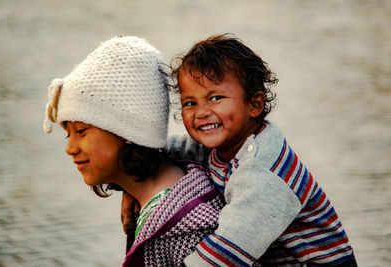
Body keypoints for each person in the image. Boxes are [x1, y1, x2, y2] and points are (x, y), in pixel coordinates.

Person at [122, 34, 358, 266]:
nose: (201, 112)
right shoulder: (223, 145)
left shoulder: (263, 176)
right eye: (190, 103)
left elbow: (224, 256)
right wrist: (130, 183)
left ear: (255, 104)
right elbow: (166, 152)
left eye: (215, 98)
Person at [43, 36, 225, 266]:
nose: (70, 148)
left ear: (128, 131)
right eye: (68, 133)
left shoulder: (181, 225)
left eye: (81, 131)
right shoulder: (170, 188)